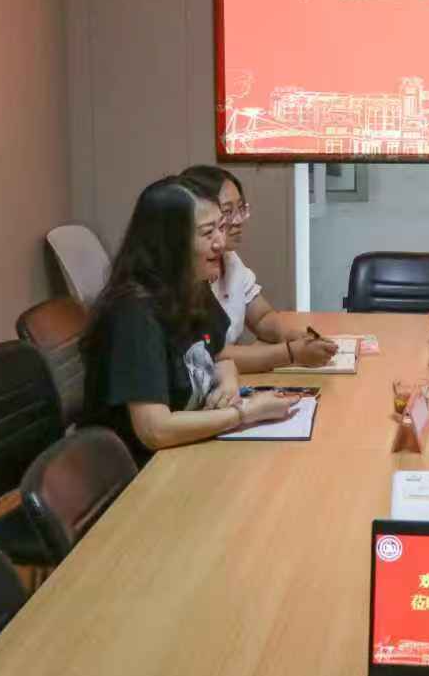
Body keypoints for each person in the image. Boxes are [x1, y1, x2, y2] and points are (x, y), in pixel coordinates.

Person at [80, 176, 297, 464]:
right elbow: (154, 430)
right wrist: (244, 413)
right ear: (170, 244)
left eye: (221, 227)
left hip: (187, 451)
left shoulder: (192, 286)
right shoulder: (134, 312)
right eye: (208, 233)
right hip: (141, 470)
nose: (220, 242)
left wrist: (228, 384)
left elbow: (219, 355)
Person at [181, 165, 337, 373]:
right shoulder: (186, 275)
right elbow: (213, 354)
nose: (238, 220)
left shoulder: (229, 259)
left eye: (241, 209)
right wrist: (291, 353)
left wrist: (293, 336)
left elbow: (262, 317)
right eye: (227, 212)